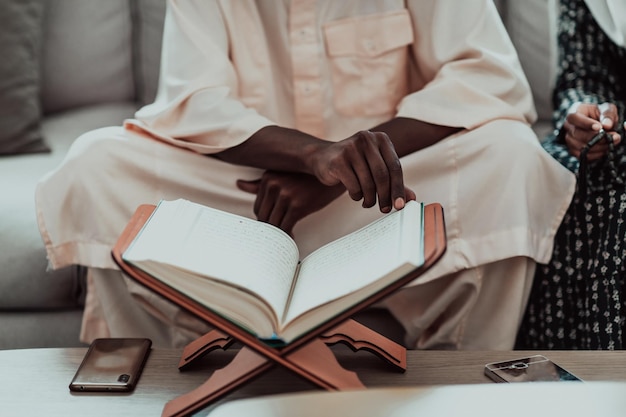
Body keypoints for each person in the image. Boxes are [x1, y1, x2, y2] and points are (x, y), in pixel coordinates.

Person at [36, 0, 575, 350]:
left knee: (511, 155)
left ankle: (464, 383)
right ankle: (155, 377)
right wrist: (315, 157)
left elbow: (486, 77)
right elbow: (193, 103)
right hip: (249, 198)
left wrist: (332, 175)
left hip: (386, 201)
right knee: (96, 164)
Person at [516, 0, 626, 350]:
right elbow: (581, 73)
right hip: (616, 133)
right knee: (560, 175)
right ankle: (572, 383)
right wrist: (584, 113)